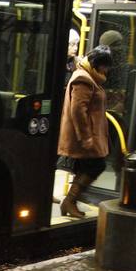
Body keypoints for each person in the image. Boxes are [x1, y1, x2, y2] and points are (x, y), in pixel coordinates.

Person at [57, 45, 114, 219]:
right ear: (97, 63)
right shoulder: (84, 79)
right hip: (84, 136)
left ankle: (70, 202)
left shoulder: (90, 77)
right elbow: (77, 110)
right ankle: (69, 201)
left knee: (85, 168)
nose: (107, 70)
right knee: (96, 166)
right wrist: (86, 136)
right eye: (105, 65)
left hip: (90, 134)